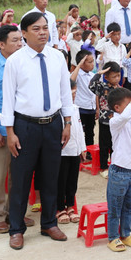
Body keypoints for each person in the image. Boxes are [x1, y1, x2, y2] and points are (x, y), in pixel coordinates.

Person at [1, 11, 73, 250]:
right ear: (24, 33)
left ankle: (49, 223)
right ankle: (16, 229)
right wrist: (10, 132)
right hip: (25, 126)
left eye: (45, 27)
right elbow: (8, 99)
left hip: (53, 124)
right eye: (36, 29)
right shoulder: (15, 61)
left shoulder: (57, 57)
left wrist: (68, 122)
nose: (43, 32)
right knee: (21, 179)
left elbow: (65, 92)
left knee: (51, 176)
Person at [0, 24, 32, 233]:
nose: (21, 44)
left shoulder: (25, 65)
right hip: (0, 132)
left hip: (22, 129)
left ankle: (15, 213)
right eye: (15, 41)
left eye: (21, 40)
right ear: (1, 44)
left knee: (19, 174)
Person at [104, 86, 131, 252]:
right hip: (119, 171)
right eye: (128, 104)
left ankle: (125, 234)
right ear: (117, 108)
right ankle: (113, 237)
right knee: (115, 208)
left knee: (129, 206)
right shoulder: (115, 121)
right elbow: (126, 114)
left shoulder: (130, 120)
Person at [56, 78, 85, 225]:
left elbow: (79, 130)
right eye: (70, 93)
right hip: (62, 152)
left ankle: (70, 206)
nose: (73, 95)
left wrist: (82, 148)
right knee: (61, 181)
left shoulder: (75, 108)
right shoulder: (57, 110)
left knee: (72, 181)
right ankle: (59, 207)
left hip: (75, 151)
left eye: (74, 92)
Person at [90, 62, 122, 176]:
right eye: (114, 76)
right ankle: (103, 167)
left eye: (118, 76)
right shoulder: (102, 87)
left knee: (115, 145)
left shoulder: (120, 89)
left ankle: (114, 165)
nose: (117, 78)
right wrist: (99, 73)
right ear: (106, 77)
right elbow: (91, 85)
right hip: (105, 121)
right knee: (104, 145)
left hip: (117, 122)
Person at [71, 50, 97, 148]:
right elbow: (71, 81)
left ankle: (89, 150)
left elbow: (96, 94)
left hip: (91, 108)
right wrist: (78, 66)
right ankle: (80, 151)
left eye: (93, 61)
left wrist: (97, 108)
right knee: (80, 132)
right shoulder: (77, 74)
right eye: (89, 62)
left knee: (90, 132)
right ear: (81, 64)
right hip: (81, 108)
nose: (92, 64)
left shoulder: (93, 75)